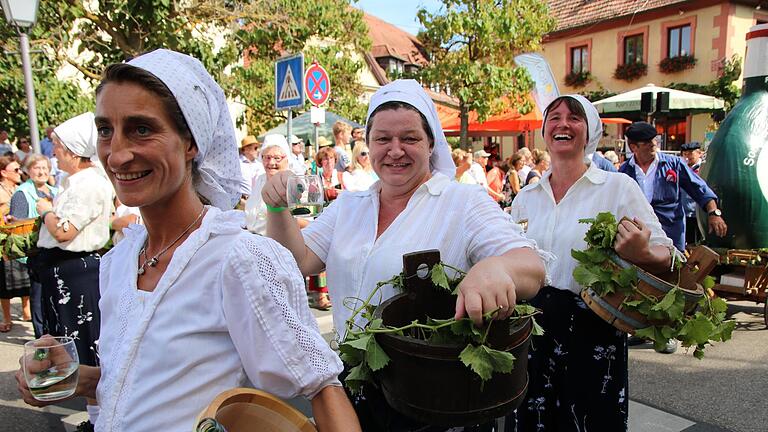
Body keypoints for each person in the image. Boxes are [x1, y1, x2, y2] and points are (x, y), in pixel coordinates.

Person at [16, 49, 360, 432]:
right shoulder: (122, 258)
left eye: (141, 129)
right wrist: (79, 380)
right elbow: (138, 389)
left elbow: (322, 389)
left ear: (192, 142)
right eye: (105, 130)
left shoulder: (238, 260)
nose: (117, 154)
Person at [262, 79, 547, 431]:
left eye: (409, 138)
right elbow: (301, 259)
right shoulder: (351, 205)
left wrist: (496, 268)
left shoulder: (461, 203)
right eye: (382, 139)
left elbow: (532, 267)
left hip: (434, 396)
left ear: (431, 145)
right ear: (368, 144)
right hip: (352, 386)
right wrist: (277, 210)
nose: (395, 150)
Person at [508, 95, 675, 431]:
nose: (563, 124)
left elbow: (668, 255)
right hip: (532, 334)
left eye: (575, 118)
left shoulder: (616, 188)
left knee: (591, 422)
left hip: (593, 333)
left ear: (591, 131)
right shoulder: (526, 198)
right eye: (554, 117)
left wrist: (642, 252)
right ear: (544, 131)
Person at [619, 122, 726, 252]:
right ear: (634, 147)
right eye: (647, 142)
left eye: (654, 139)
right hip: (640, 235)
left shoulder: (673, 164)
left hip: (671, 234)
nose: (653, 144)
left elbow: (699, 188)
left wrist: (713, 212)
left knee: (673, 269)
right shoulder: (624, 171)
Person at [8, 154, 59, 338]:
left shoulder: (55, 191)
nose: (42, 172)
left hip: (57, 249)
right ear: (28, 171)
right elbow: (17, 225)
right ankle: (41, 336)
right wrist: (44, 218)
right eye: (37, 168)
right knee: (38, 297)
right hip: (36, 252)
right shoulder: (22, 193)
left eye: (45, 168)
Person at [0, 156, 27, 333]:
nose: (20, 173)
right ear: (4, 173)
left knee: (23, 276)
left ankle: (26, 311)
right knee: (4, 281)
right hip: (3, 240)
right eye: (15, 170)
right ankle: (7, 317)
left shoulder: (20, 189)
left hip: (19, 238)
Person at [680, 141, 705, 244]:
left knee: (695, 242)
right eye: (685, 154)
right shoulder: (682, 167)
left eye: (690, 153)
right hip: (683, 211)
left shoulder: (703, 168)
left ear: (699, 153)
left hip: (696, 212)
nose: (687, 157)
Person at [238, 134, 264, 199]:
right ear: (246, 149)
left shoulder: (260, 165)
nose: (258, 150)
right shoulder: (237, 164)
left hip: (258, 200)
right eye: (255, 148)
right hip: (241, 201)